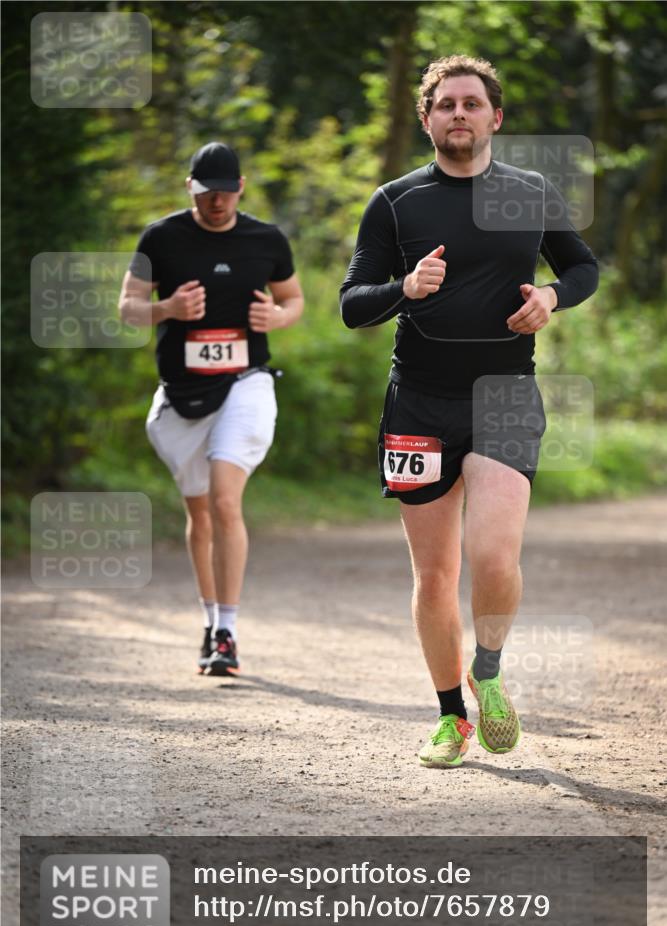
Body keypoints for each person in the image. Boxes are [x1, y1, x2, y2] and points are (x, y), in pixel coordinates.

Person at [340, 56, 598, 767]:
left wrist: (549, 297)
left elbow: (582, 267)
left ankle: (487, 668)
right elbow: (350, 305)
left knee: (491, 555)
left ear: (494, 117)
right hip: (418, 400)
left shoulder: (529, 192)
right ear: (426, 119)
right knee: (431, 576)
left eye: (471, 103)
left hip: (506, 395)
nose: (458, 113)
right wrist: (405, 289)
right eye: (445, 104)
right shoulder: (394, 202)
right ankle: (450, 716)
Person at [119, 142, 304, 676]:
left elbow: (294, 301)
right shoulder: (161, 237)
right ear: (190, 189)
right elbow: (127, 308)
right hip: (182, 392)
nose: (216, 203)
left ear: (240, 188)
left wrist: (278, 317)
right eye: (206, 194)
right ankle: (209, 620)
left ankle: (228, 632)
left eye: (225, 193)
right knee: (199, 513)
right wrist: (167, 308)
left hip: (247, 382)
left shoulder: (266, 239)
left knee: (225, 502)